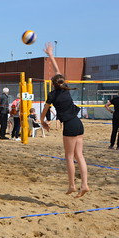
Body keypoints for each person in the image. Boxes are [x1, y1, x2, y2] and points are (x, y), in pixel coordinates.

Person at [40, 42, 89, 198]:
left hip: (69, 126)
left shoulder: (52, 95)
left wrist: (43, 121)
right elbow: (58, 71)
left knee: (69, 156)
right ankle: (85, 185)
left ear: (53, 84)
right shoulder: (66, 89)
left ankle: (72, 185)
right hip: (78, 123)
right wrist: (51, 55)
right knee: (79, 156)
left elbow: (44, 111)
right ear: (62, 82)